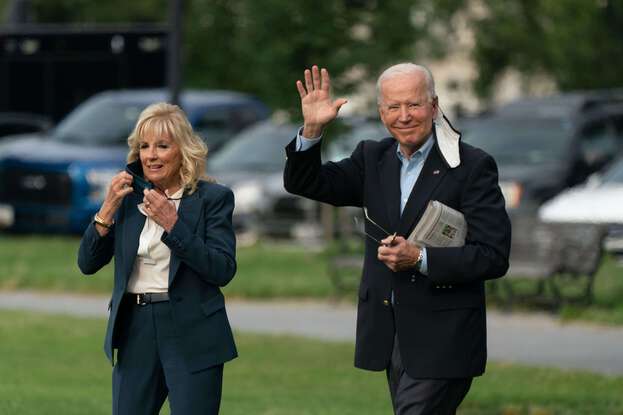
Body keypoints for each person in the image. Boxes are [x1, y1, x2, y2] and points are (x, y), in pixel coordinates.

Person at [284, 64, 511, 414]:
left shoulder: (471, 166)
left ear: (434, 107)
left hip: (445, 336)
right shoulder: (372, 159)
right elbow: (305, 182)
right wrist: (312, 129)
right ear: (381, 112)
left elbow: (493, 255)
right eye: (393, 107)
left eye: (414, 105)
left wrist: (419, 257)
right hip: (390, 333)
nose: (403, 116)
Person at [78, 102, 237, 415]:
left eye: (162, 146)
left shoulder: (212, 199)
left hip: (192, 329)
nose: (150, 155)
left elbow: (222, 269)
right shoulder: (126, 199)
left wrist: (172, 224)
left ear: (183, 150)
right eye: (144, 146)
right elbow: (87, 263)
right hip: (135, 327)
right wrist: (107, 208)